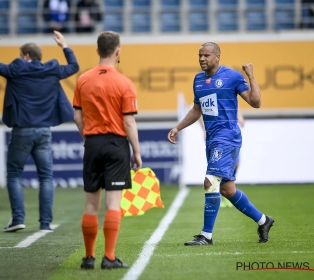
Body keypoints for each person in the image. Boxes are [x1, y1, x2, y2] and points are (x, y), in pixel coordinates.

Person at [167, 42, 274, 245]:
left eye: (206, 55)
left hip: (227, 137)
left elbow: (256, 102)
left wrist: (251, 76)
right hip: (212, 139)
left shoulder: (232, 76)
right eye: (199, 55)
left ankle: (206, 236)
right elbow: (196, 111)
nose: (201, 59)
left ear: (217, 57)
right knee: (227, 189)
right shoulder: (198, 80)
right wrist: (177, 127)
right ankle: (263, 220)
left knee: (210, 182)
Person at [0, 31, 79, 232]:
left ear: (25, 55)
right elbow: (74, 67)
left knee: (14, 174)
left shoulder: (16, 69)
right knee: (46, 177)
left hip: (22, 130)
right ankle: (45, 223)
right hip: (44, 131)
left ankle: (18, 219)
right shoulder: (51, 70)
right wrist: (64, 45)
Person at [73, 31, 142, 270]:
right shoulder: (124, 82)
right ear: (117, 51)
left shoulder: (83, 79)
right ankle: (109, 257)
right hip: (116, 144)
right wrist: (137, 151)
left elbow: (77, 116)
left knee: (91, 204)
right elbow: (129, 122)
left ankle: (89, 257)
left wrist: (89, 136)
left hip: (92, 143)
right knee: (113, 203)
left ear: (97, 51)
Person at [198, 110, 245, 208]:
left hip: (231, 135)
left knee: (235, 164)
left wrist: (240, 117)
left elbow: (235, 105)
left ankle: (227, 191)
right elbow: (199, 110)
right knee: (219, 169)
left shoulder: (230, 97)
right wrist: (204, 129)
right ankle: (223, 194)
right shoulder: (210, 97)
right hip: (217, 137)